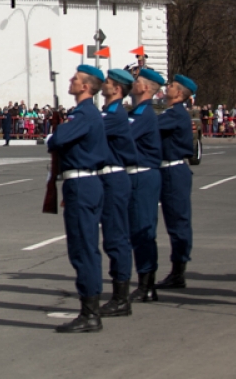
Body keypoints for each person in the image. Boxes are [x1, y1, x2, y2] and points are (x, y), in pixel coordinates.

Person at [47, 65, 111, 333]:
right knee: (84, 247)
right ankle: (90, 309)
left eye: (75, 79)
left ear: (86, 86)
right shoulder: (85, 114)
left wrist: (56, 133)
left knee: (83, 248)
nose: (71, 81)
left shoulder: (84, 114)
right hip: (84, 183)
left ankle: (90, 313)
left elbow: (57, 139)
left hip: (82, 183)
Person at [97, 68, 137, 317]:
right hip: (106, 177)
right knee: (112, 237)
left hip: (113, 177)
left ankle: (121, 297)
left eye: (108, 82)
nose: (104, 85)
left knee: (116, 237)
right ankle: (119, 294)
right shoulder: (107, 113)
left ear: (117, 89)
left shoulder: (114, 115)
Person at [127, 67, 165, 302]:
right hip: (137, 175)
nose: (133, 83)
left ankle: (146, 285)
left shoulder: (144, 114)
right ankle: (146, 282)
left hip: (142, 176)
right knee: (138, 230)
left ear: (146, 88)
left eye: (137, 80)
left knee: (143, 231)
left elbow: (124, 136)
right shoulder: (138, 112)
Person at [156, 73, 197, 290]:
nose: (167, 87)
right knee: (174, 221)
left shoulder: (175, 114)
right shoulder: (172, 113)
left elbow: (151, 126)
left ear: (179, 93)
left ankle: (178, 271)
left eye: (171, 85)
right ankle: (177, 270)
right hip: (168, 170)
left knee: (178, 222)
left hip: (173, 171)